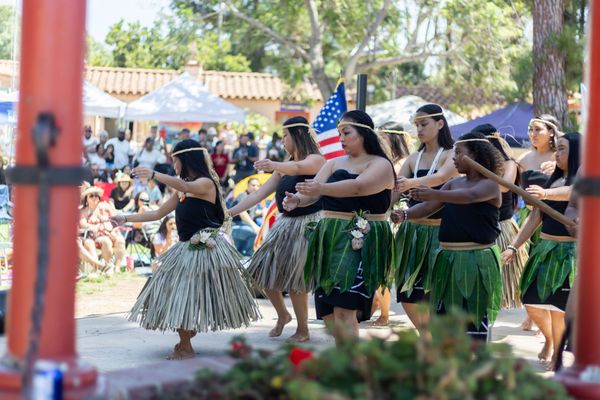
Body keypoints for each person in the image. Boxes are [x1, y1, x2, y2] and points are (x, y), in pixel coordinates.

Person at [112, 139, 260, 360]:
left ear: (186, 159)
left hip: (205, 250)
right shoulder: (182, 189)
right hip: (185, 248)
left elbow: (187, 187)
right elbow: (156, 214)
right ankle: (186, 336)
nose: (173, 165)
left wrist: (154, 175)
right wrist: (124, 217)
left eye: (175, 159)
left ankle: (185, 346)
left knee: (185, 291)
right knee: (179, 292)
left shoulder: (205, 183)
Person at [283, 110, 395, 345]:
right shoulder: (334, 162)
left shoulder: (381, 164)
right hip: (330, 239)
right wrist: (297, 200)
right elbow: (313, 190)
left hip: (361, 240)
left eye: (346, 133)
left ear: (364, 134)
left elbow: (358, 187)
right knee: (329, 314)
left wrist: (318, 190)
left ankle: (351, 368)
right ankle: (349, 359)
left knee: (345, 309)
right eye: (339, 133)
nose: (341, 138)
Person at [392, 132, 504, 341]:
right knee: (444, 318)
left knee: (472, 317)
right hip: (448, 258)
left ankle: (475, 366)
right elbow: (428, 208)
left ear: (476, 156)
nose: (454, 158)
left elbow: (470, 197)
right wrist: (405, 214)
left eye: (459, 153)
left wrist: (435, 193)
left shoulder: (490, 184)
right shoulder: (454, 184)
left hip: (476, 258)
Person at [228, 116, 325, 342]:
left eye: (285, 136)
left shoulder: (316, 160)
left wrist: (274, 165)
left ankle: (303, 329)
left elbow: (300, 167)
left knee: (296, 279)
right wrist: (229, 212)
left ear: (298, 136)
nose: (282, 141)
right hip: (285, 223)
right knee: (260, 271)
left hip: (307, 224)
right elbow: (259, 194)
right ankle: (283, 315)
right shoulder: (285, 164)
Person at [503, 132, 581, 370]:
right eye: (556, 149)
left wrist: (545, 194)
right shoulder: (553, 180)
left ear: (577, 152)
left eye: (563, 149)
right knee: (531, 300)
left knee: (558, 308)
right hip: (545, 247)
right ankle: (549, 339)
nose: (557, 154)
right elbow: (535, 216)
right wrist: (513, 245)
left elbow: (572, 192)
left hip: (569, 252)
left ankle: (558, 352)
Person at [392, 104, 458, 330]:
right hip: (412, 231)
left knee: (436, 293)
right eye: (416, 125)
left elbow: (441, 177)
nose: (419, 129)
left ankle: (435, 341)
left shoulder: (452, 154)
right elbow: (395, 188)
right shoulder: (413, 158)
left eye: (424, 124)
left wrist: (410, 183)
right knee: (406, 292)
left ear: (440, 124)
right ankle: (426, 336)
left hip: (441, 232)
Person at [472, 124, 529, 310]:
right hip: (479, 225)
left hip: (501, 227)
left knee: (501, 280)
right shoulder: (475, 166)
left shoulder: (509, 163)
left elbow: (504, 186)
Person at [517, 115, 560, 331]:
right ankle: (530, 313)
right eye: (530, 129)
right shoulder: (524, 159)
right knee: (528, 264)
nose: (532, 134)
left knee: (545, 266)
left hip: (552, 217)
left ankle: (547, 315)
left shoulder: (560, 157)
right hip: (529, 216)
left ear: (551, 132)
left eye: (537, 129)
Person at [370, 121, 411, 326]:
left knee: (385, 268)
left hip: (396, 218)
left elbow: (396, 193)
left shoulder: (401, 162)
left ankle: (385, 313)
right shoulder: (387, 161)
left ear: (393, 138)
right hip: (388, 214)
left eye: (382, 136)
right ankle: (378, 304)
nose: (378, 140)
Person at [79, 183, 125, 275]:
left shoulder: (105, 206)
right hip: (94, 236)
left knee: (120, 240)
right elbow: (83, 224)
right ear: (86, 199)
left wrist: (113, 231)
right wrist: (99, 228)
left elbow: (115, 220)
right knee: (106, 241)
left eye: (96, 195)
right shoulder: (83, 211)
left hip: (110, 233)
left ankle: (117, 268)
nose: (95, 197)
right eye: (91, 196)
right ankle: (107, 267)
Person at [230, 178, 262, 256]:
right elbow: (243, 214)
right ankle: (248, 257)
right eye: (253, 185)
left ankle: (244, 255)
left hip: (243, 225)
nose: (255, 187)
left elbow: (253, 212)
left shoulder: (252, 198)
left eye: (258, 186)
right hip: (235, 226)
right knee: (254, 233)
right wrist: (255, 226)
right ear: (248, 186)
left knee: (259, 231)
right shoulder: (243, 196)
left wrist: (265, 211)